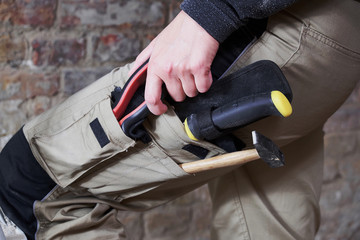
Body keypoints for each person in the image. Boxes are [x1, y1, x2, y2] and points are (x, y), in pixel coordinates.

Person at [0, 0, 359, 239]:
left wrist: (211, 11)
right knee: (265, 230)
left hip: (280, 28)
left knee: (28, 191)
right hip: (329, 48)